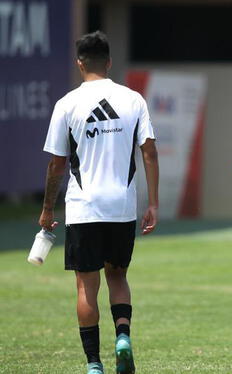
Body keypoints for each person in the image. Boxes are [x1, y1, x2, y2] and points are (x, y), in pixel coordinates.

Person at [39, 31, 158, 374]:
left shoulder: (67, 104)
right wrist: (154, 202)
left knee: (85, 285)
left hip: (83, 207)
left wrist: (48, 208)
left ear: (79, 63)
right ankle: (123, 337)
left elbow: (57, 164)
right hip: (121, 207)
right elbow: (148, 152)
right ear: (108, 62)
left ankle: (94, 364)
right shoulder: (133, 99)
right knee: (117, 276)